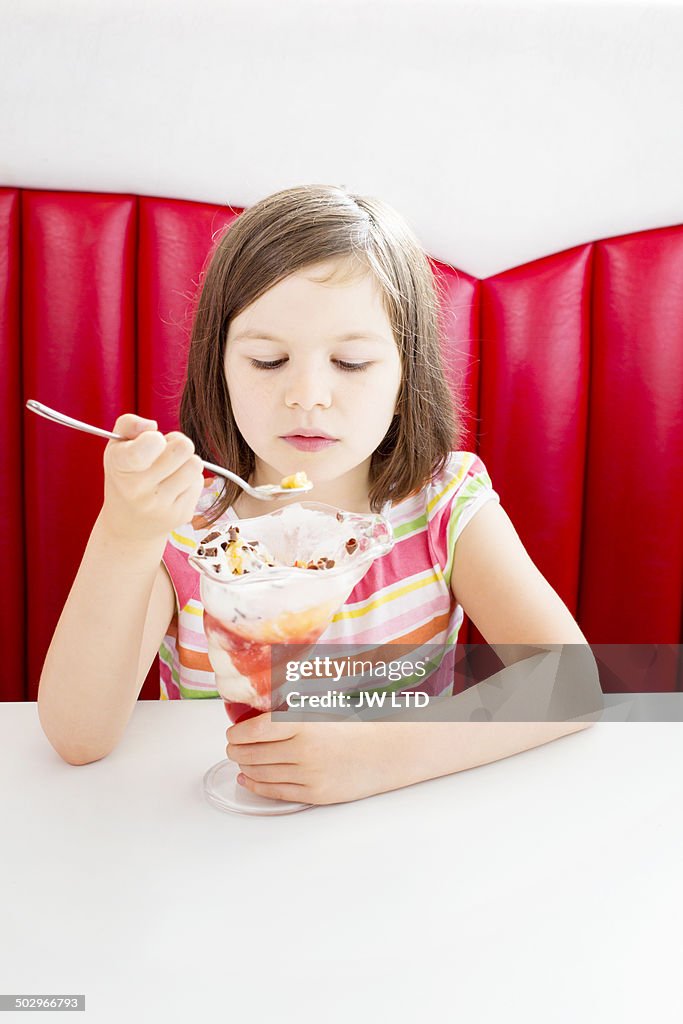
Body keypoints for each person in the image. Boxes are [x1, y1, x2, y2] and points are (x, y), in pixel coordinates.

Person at [37, 183, 601, 802]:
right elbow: (77, 736)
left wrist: (376, 758)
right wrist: (125, 534)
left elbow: (571, 684)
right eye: (268, 360)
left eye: (351, 363)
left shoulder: (444, 506)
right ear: (217, 365)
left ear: (405, 373)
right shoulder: (181, 526)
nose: (308, 393)